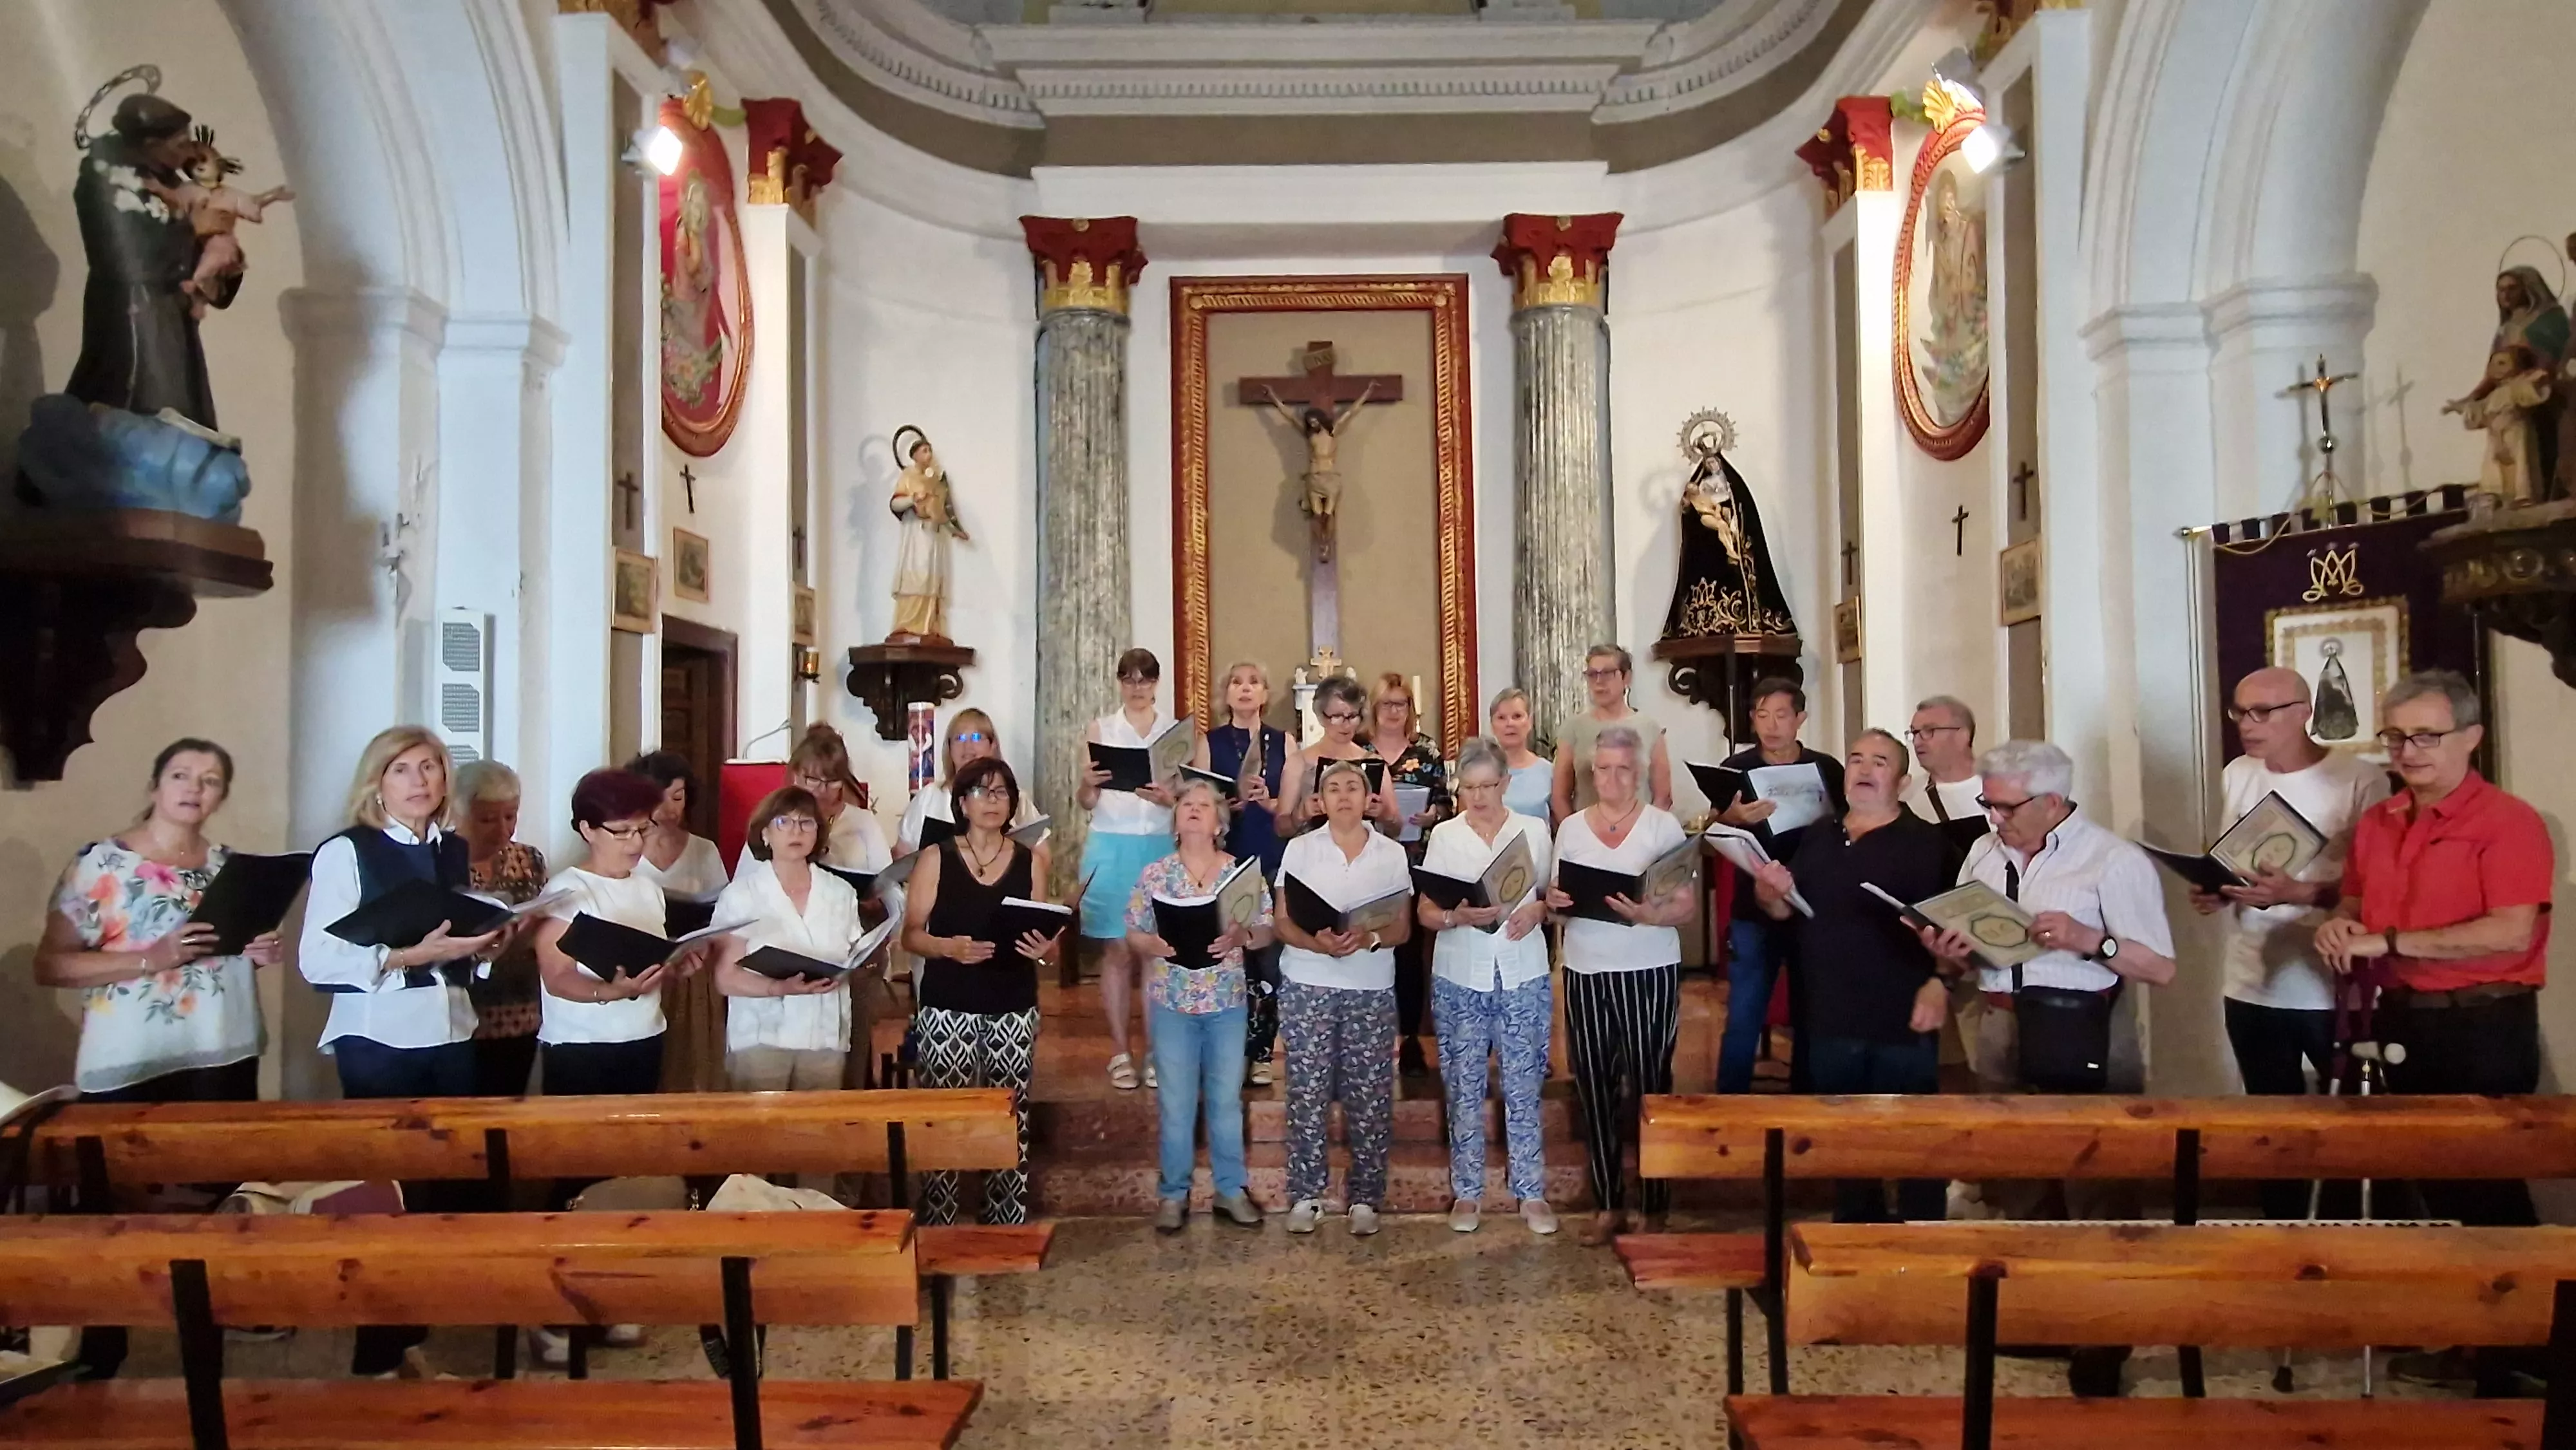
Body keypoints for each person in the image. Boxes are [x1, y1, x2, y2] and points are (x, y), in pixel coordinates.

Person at [1922, 738, 2175, 1398]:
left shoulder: (2112, 861)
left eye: (2003, 805)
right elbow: (1975, 945)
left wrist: (2092, 939)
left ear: (2054, 801)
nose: (1991, 816)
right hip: (2003, 1019)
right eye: (1987, 801)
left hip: (2083, 1024)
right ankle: (2043, 1312)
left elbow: (2160, 966)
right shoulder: (1983, 851)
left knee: (2096, 1184)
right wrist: (1948, 949)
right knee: (2022, 1176)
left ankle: (2101, 1334)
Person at [297, 725, 507, 1377]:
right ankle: (374, 1352)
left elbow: (456, 941)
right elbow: (317, 958)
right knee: (388, 1199)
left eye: (431, 768)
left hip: (449, 1030)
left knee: (438, 1197)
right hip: (379, 1037)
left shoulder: (451, 849)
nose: (419, 781)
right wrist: (406, 955)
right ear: (376, 781)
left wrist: (485, 950)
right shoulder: (347, 852)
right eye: (403, 769)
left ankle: (408, 1336)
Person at [2316, 672, 2552, 1229]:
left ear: (2472, 737)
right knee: (2426, 1182)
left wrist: (2389, 941)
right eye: (2395, 737)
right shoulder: (2379, 821)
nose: (2407, 751)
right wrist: (2338, 927)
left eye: (2426, 736)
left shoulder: (2508, 821)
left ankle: (2531, 1312)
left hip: (2481, 1024)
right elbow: (2354, 903)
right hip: (2398, 1018)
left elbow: (2511, 932)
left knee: (2484, 1189)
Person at [2187, 668, 2387, 1219]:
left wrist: (2302, 892)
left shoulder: (2360, 779)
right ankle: (2279, 1236)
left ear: (2304, 712)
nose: (2248, 726)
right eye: (2239, 712)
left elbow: (2380, 886)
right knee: (2269, 1127)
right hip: (2250, 978)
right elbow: (2237, 860)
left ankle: (2349, 1242)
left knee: (2347, 1129)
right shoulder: (2238, 774)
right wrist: (2219, 892)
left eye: (2263, 712)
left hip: (2327, 982)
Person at [1751, 729, 1951, 1224]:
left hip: (1901, 1012)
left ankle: (1921, 1244)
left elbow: (1954, 933)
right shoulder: (1820, 834)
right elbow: (1784, 912)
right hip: (1828, 1009)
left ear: (1902, 782)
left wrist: (1940, 981)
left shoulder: (1929, 845)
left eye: (1879, 762)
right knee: (1845, 1137)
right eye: (1857, 759)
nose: (1864, 769)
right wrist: (1770, 892)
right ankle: (1857, 1235)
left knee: (1912, 1140)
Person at [37, 738, 277, 1104]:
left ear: (222, 796)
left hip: (222, 1049)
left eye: (210, 781)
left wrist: (255, 951)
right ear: (154, 787)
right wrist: (152, 958)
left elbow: (215, 955)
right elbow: (51, 966)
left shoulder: (229, 866)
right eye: (180, 776)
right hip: (133, 1055)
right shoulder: (103, 864)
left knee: (216, 1159)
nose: (194, 788)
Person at [1549, 726, 1696, 1247]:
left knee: (1651, 1086)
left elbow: (1685, 906)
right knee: (1594, 1086)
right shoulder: (1570, 829)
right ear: (1592, 774)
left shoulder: (1662, 828)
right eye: (1603, 769)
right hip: (1587, 969)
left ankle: (1655, 1203)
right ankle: (1608, 1201)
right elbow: (1555, 895)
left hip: (1648, 968)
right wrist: (1555, 901)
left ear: (1638, 774)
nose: (1612, 778)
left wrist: (1649, 912)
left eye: (1623, 769)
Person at [902, 757, 1061, 1225]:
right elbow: (910, 934)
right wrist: (947, 947)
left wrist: (1043, 947)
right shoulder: (936, 857)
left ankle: (1006, 1215)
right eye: (981, 792)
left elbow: (1038, 931)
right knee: (943, 1114)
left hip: (1012, 1000)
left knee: (1009, 1112)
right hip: (949, 1001)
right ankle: (940, 1217)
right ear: (962, 803)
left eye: (1001, 793)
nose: (992, 801)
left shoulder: (1029, 860)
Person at [1417, 737, 1557, 1236]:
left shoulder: (1534, 831)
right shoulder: (1446, 836)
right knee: (1463, 1086)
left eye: (1487, 786)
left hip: (1522, 970)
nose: (1477, 797)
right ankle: (1468, 1191)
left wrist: (1539, 909)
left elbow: (1553, 897)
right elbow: (1426, 912)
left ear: (1506, 784)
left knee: (1524, 1083)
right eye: (1468, 787)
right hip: (1461, 974)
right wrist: (1456, 914)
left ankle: (1531, 1191)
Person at [1125, 777, 1273, 1233]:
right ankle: (1173, 1193)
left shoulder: (1241, 873)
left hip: (1226, 1001)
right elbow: (1132, 930)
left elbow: (1267, 928)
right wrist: (1151, 943)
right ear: (1175, 821)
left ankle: (1231, 1190)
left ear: (1219, 824)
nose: (1193, 809)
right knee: (1176, 1101)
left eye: (1204, 804)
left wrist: (1242, 936)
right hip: (1172, 1001)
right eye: (1186, 803)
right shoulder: (1155, 874)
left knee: (1227, 1100)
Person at [1274, 760, 1414, 1237]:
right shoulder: (1300, 849)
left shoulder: (1391, 853)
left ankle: (1365, 1197)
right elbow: (1283, 920)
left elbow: (1401, 926)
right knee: (1306, 1091)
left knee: (1370, 1095)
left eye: (1353, 787)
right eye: (1333, 788)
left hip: (1370, 987)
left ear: (1369, 796)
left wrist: (1369, 940)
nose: (1344, 796)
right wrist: (1319, 943)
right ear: (1320, 800)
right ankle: (1306, 1194)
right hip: (1308, 981)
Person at [1079, 648, 1204, 1091]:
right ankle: (1120, 1051)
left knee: (1155, 951)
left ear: (1156, 683)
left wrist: (1169, 800)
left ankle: (1154, 1052)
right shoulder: (1101, 729)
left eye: (1145, 680)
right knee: (1116, 951)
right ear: (1120, 682)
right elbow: (1087, 801)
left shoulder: (1176, 733)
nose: (1137, 688)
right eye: (1129, 679)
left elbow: (1197, 802)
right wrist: (1088, 786)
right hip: (1110, 844)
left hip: (1157, 844)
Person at [1713, 677, 1846, 1095]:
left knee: (1812, 1011)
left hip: (1813, 904)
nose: (1771, 725)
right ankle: (1729, 1106)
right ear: (1752, 719)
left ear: (1801, 719)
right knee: (1744, 1011)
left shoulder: (1827, 768)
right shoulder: (1736, 768)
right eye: (1762, 715)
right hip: (1755, 908)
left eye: (1782, 715)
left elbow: (1848, 828)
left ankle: (1806, 1101)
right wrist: (1734, 819)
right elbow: (1713, 831)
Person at [710, 787, 860, 1095]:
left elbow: (854, 956)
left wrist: (865, 963)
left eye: (806, 823)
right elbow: (725, 978)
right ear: (765, 833)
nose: (796, 831)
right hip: (761, 1035)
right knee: (760, 1134)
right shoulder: (742, 894)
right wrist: (779, 988)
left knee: (819, 1131)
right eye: (784, 823)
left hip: (824, 1033)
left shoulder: (841, 892)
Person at [1206, 661, 1291, 1087]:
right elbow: (1200, 801)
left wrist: (1271, 801)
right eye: (1236, 682)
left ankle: (1262, 1051)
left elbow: (1293, 810)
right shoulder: (1209, 742)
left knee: (1269, 960)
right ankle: (1231, 1049)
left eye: (1253, 682)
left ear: (1265, 693)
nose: (1244, 688)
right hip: (1227, 858)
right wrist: (1229, 806)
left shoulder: (1283, 741)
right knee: (1233, 958)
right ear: (1226, 695)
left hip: (1271, 856)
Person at [1365, 672, 1451, 1078]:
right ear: (1374, 708)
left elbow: (1446, 801)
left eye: (1401, 704)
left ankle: (1410, 1039)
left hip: (1414, 861)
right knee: (1371, 947)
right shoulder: (1359, 750)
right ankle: (1372, 1038)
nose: (1394, 712)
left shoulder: (1426, 749)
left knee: (1410, 953)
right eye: (1387, 704)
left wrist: (1433, 814)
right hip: (1368, 863)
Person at [455, 759, 547, 1098]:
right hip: (461, 1014)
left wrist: (531, 929)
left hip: (519, 1011)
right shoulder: (441, 861)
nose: (502, 829)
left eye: (511, 816)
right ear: (458, 813)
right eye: (487, 819)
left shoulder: (529, 860)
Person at [1551, 644, 1674, 819]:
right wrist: (1575, 832)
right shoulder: (1573, 728)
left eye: (1608, 673)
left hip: (1639, 834)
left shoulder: (1649, 728)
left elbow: (1663, 797)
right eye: (1593, 675)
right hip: (1587, 834)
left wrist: (1645, 832)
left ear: (1626, 678)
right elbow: (1560, 796)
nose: (1599, 681)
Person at [1271, 673, 1401, 830]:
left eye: (1352, 716)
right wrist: (1301, 814)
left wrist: (1384, 815)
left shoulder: (1374, 762)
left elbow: (1396, 828)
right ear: (1321, 717)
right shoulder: (1299, 762)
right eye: (1337, 716)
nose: (1346, 725)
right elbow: (1280, 828)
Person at [897, 708, 1024, 854]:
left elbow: (1041, 856)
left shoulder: (1016, 798)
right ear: (949, 748)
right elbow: (901, 856)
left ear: (993, 745)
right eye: (960, 738)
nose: (968, 746)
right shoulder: (929, 797)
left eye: (976, 737)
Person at [791, 723, 893, 876]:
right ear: (796, 776)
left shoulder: (863, 821)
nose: (823, 790)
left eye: (833, 781)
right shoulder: (776, 821)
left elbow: (887, 880)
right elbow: (746, 883)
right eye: (814, 780)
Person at [1488, 686, 1555, 824]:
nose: (1510, 724)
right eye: (1501, 718)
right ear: (1492, 726)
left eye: (1517, 716)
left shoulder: (1549, 772)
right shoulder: (1481, 772)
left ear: (1530, 722)